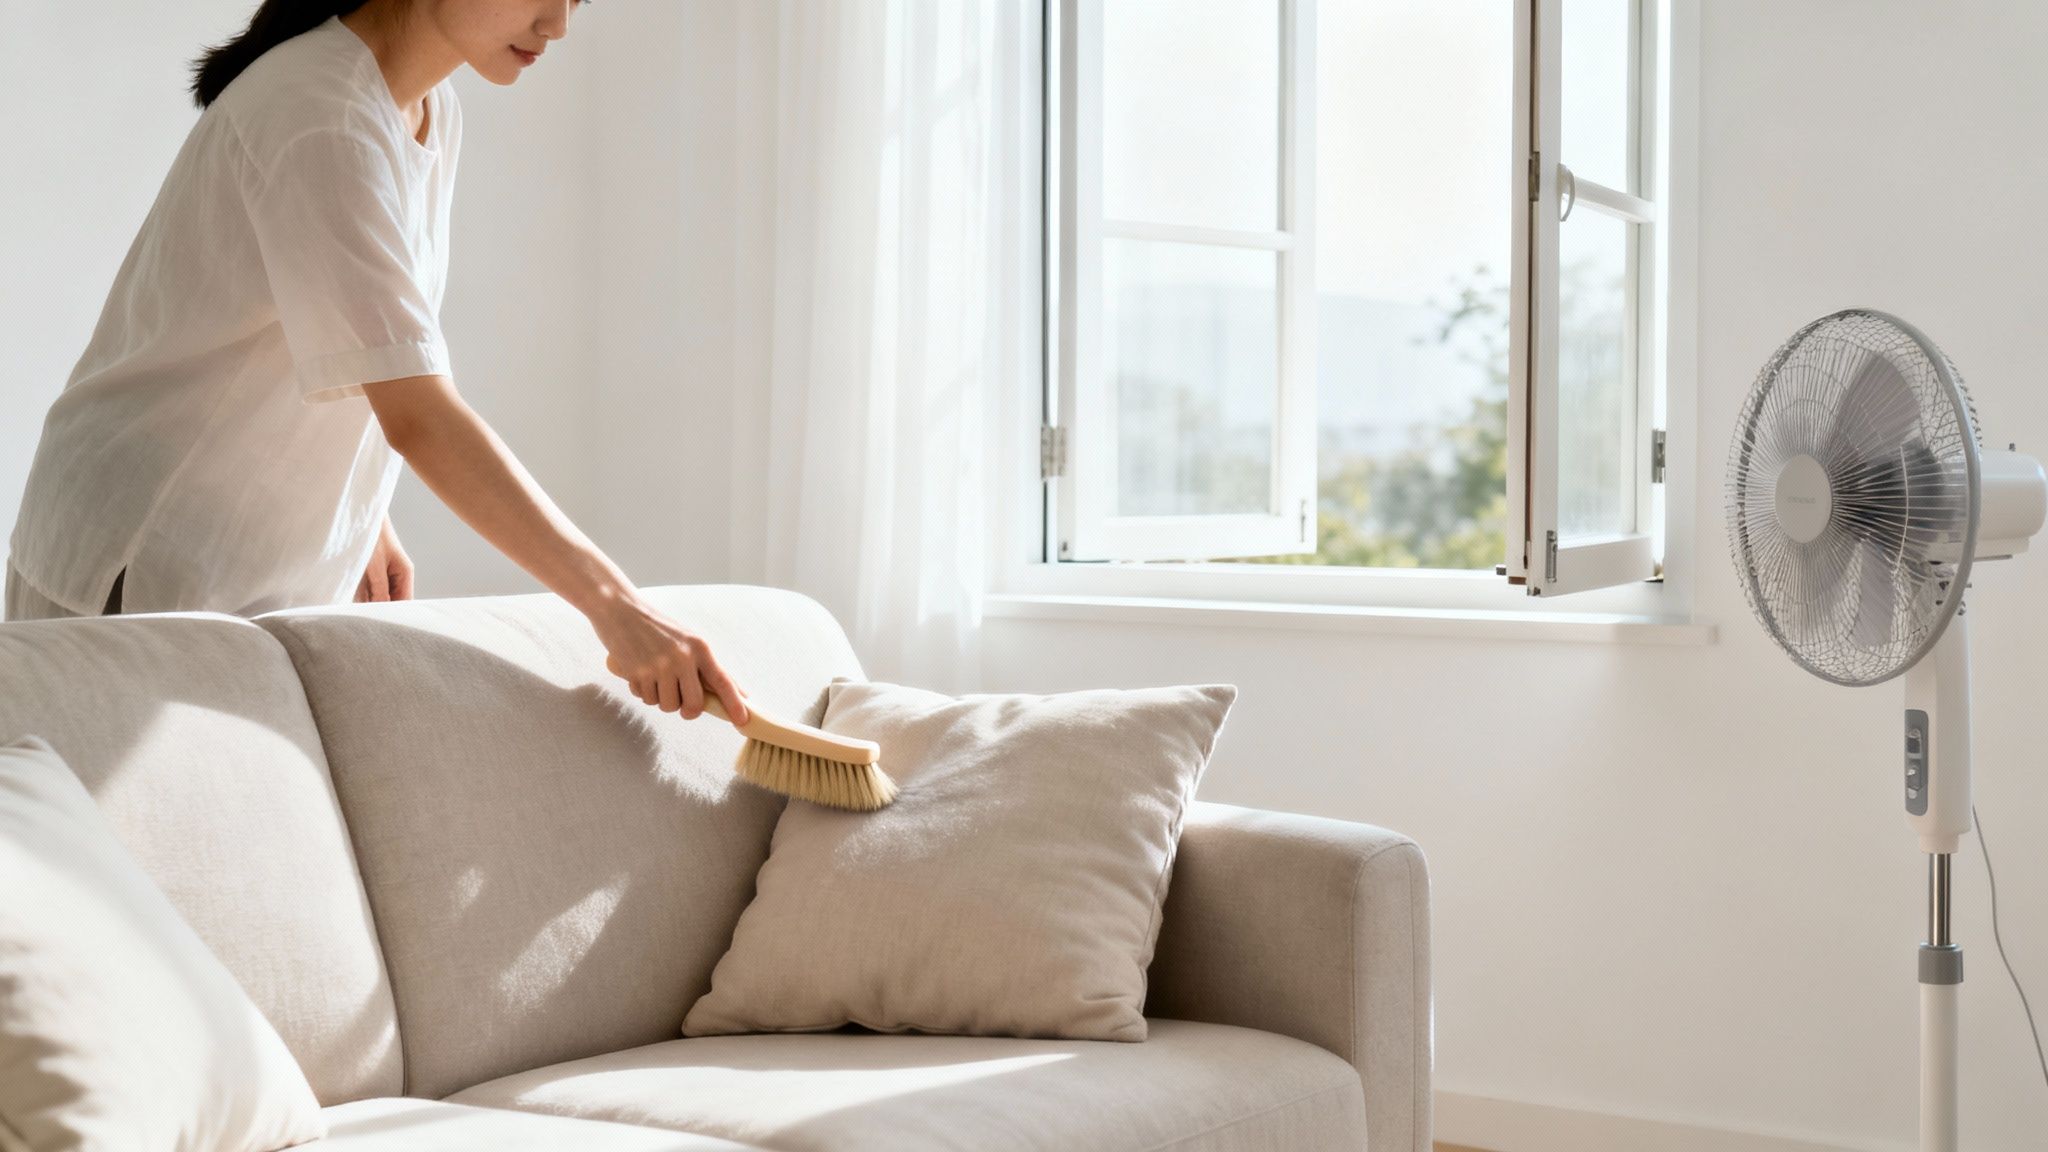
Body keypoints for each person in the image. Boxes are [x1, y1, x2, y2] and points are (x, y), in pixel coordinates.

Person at [2, 0, 749, 726]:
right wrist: (617, 606)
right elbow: (420, 415)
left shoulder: (427, 107)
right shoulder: (317, 112)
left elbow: (347, 325)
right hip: (144, 556)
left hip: (239, 573)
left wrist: (363, 510)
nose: (557, 23)